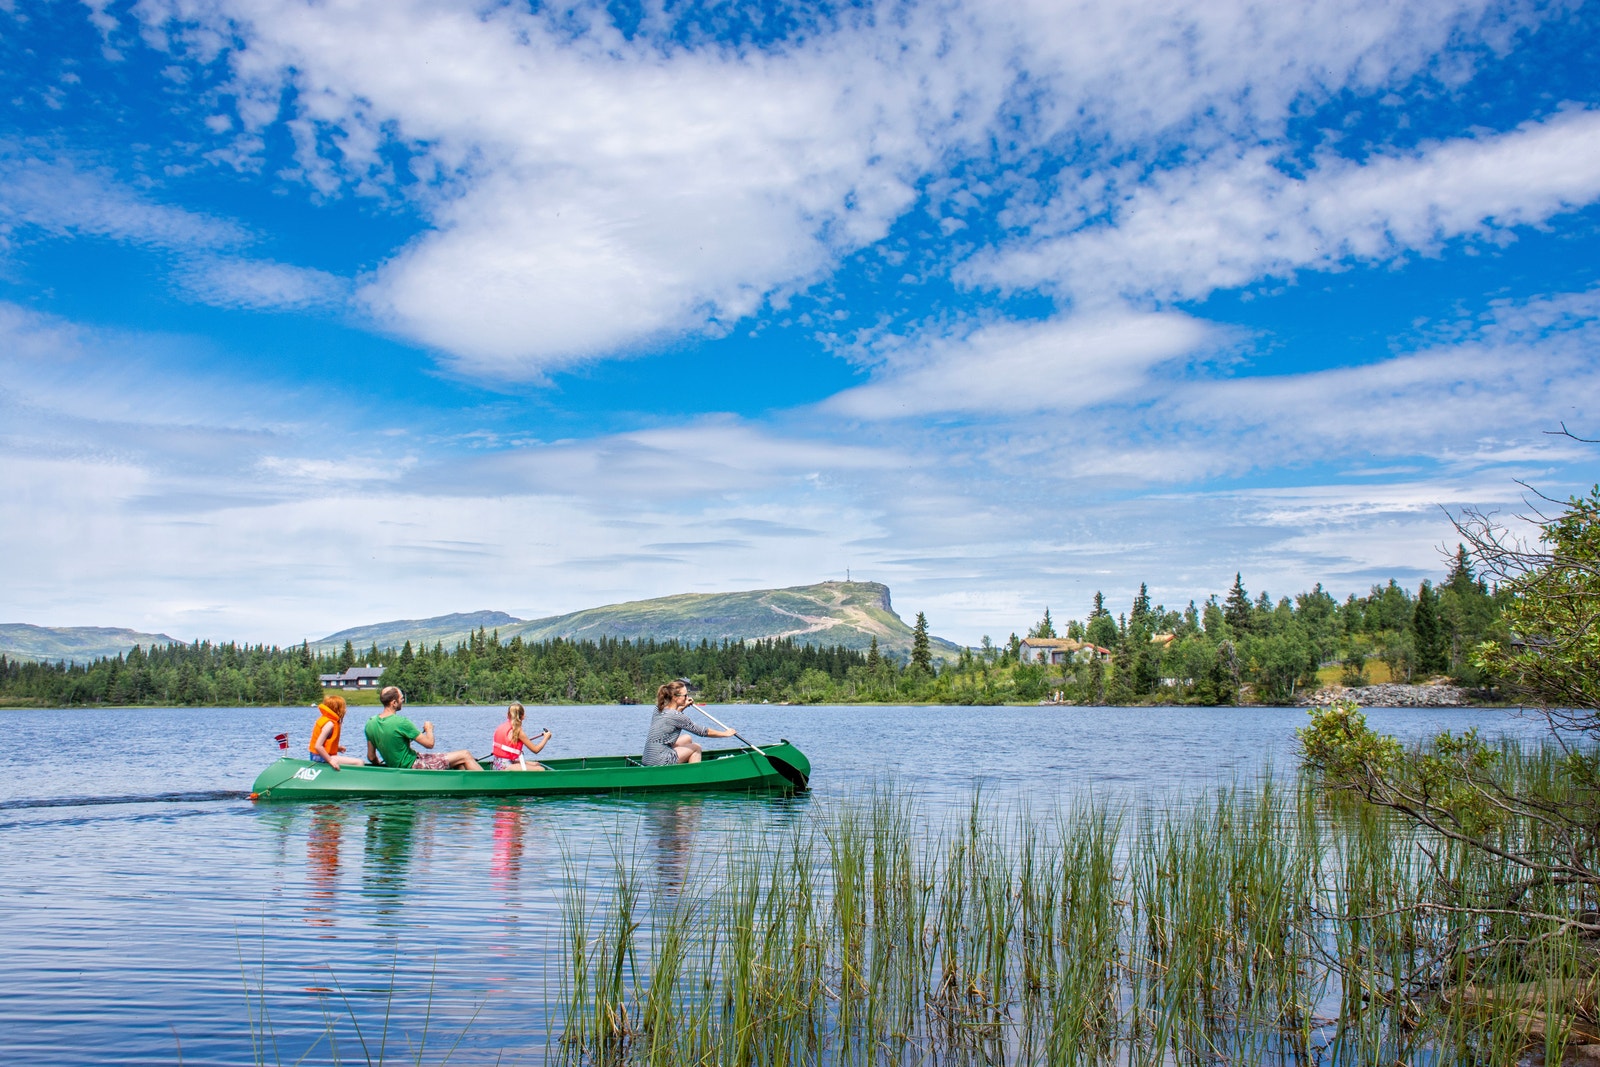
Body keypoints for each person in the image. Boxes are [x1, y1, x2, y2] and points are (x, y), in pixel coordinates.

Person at [363, 686, 482, 770]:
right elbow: (429, 744)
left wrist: (381, 767)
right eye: (401, 699)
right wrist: (429, 729)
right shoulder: (401, 722)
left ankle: (466, 792)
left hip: (408, 762)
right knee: (465, 754)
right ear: (394, 703)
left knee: (460, 763)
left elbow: (371, 757)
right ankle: (486, 783)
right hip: (414, 765)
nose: (402, 701)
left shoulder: (370, 723)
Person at [641, 679, 735, 767]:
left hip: (647, 758)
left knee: (687, 738)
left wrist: (683, 706)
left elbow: (672, 717)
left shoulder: (658, 709)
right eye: (685, 696)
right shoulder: (677, 716)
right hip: (660, 761)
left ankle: (681, 767)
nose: (687, 697)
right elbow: (702, 732)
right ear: (674, 697)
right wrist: (725, 734)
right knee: (696, 748)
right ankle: (693, 777)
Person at [309, 694, 365, 771]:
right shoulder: (329, 724)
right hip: (320, 758)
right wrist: (330, 760)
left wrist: (337, 748)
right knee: (359, 762)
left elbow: (325, 744)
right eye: (343, 708)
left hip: (317, 756)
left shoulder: (325, 720)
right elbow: (318, 746)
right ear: (337, 709)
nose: (345, 710)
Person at [491, 703, 551, 771]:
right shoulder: (518, 731)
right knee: (540, 769)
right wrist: (546, 737)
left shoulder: (501, 727)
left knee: (536, 764)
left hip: (496, 764)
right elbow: (536, 750)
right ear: (523, 716)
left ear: (507, 715)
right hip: (506, 766)